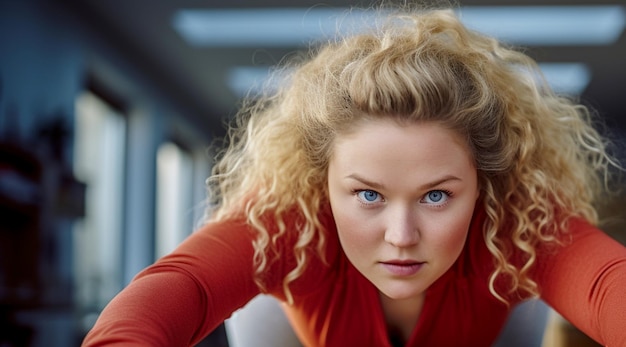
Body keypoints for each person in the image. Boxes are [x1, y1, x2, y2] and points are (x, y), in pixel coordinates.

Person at [82, 6, 626, 347]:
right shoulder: (287, 221)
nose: (401, 236)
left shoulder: (516, 222)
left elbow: (609, 286)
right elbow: (183, 287)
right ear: (322, 183)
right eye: (368, 193)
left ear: (484, 182)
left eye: (436, 195)